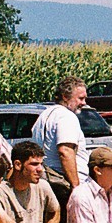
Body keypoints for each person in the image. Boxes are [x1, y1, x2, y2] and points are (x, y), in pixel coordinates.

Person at [33, 76, 89, 207]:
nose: (84, 103)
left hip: (49, 181)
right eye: (80, 98)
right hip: (64, 185)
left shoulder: (44, 115)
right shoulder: (66, 116)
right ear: (65, 96)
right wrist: (76, 188)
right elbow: (65, 151)